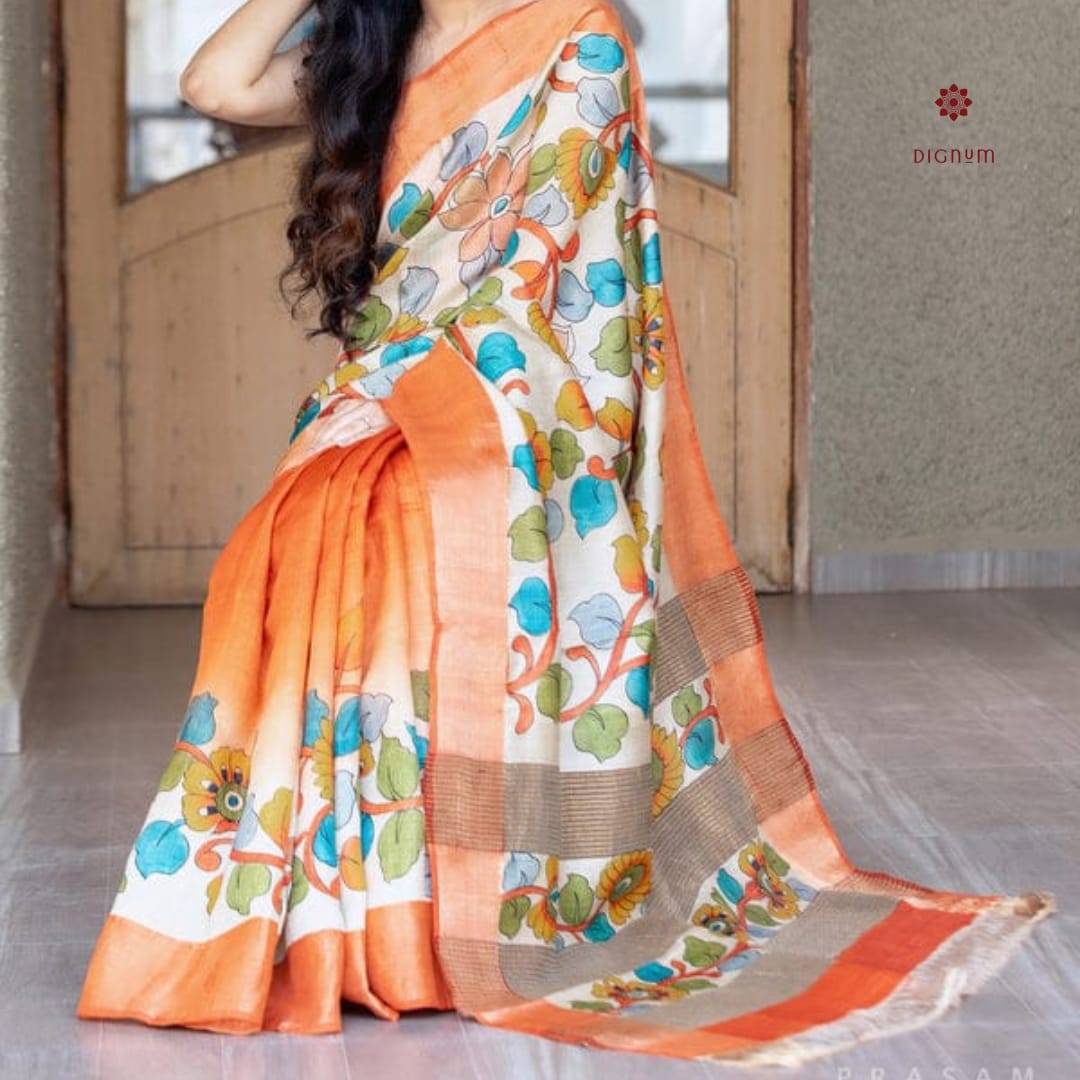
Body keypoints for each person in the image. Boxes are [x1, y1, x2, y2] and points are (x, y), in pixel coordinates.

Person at [75, 0, 1054, 1065]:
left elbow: (538, 267)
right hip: (402, 385)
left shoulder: (575, 37)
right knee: (316, 518)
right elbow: (213, 85)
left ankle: (458, 908)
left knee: (402, 507)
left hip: (528, 399)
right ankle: (362, 911)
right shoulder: (373, 47)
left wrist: (414, 393)